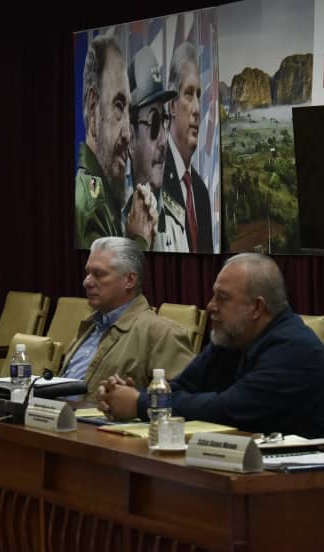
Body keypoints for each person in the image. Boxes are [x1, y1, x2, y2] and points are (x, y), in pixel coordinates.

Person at [98, 253, 324, 438]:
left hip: (296, 485)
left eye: (222, 298)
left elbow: (228, 410)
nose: (210, 306)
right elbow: (181, 387)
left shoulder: (294, 351)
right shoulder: (231, 338)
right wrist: (127, 397)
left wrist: (141, 403)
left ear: (257, 308)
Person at [59, 237, 194, 399]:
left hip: (102, 424)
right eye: (88, 273)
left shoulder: (162, 333)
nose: (86, 282)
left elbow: (181, 400)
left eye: (99, 274)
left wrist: (135, 402)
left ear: (129, 280)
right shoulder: (90, 326)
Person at [122, 45, 188, 252]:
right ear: (131, 140)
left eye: (164, 121)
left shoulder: (176, 223)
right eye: (154, 123)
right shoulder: (109, 218)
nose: (163, 141)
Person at [74, 35, 131, 249]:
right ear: (92, 107)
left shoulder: (106, 199)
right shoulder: (92, 207)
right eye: (118, 105)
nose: (128, 134)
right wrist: (140, 239)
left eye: (129, 111)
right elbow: (109, 281)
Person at [163, 42, 213, 253]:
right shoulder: (155, 179)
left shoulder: (200, 191)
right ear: (172, 105)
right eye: (188, 93)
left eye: (199, 95)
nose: (196, 109)